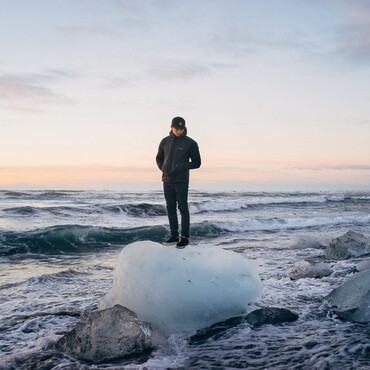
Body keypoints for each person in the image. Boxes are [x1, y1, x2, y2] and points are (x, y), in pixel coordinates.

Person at [156, 116, 201, 248]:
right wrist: (162, 168)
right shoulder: (165, 142)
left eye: (181, 129)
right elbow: (159, 157)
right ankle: (174, 235)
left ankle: (185, 237)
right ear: (171, 127)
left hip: (181, 181)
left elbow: (197, 163)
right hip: (167, 180)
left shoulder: (190, 143)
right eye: (177, 129)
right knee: (170, 207)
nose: (179, 131)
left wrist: (182, 166)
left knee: (183, 208)